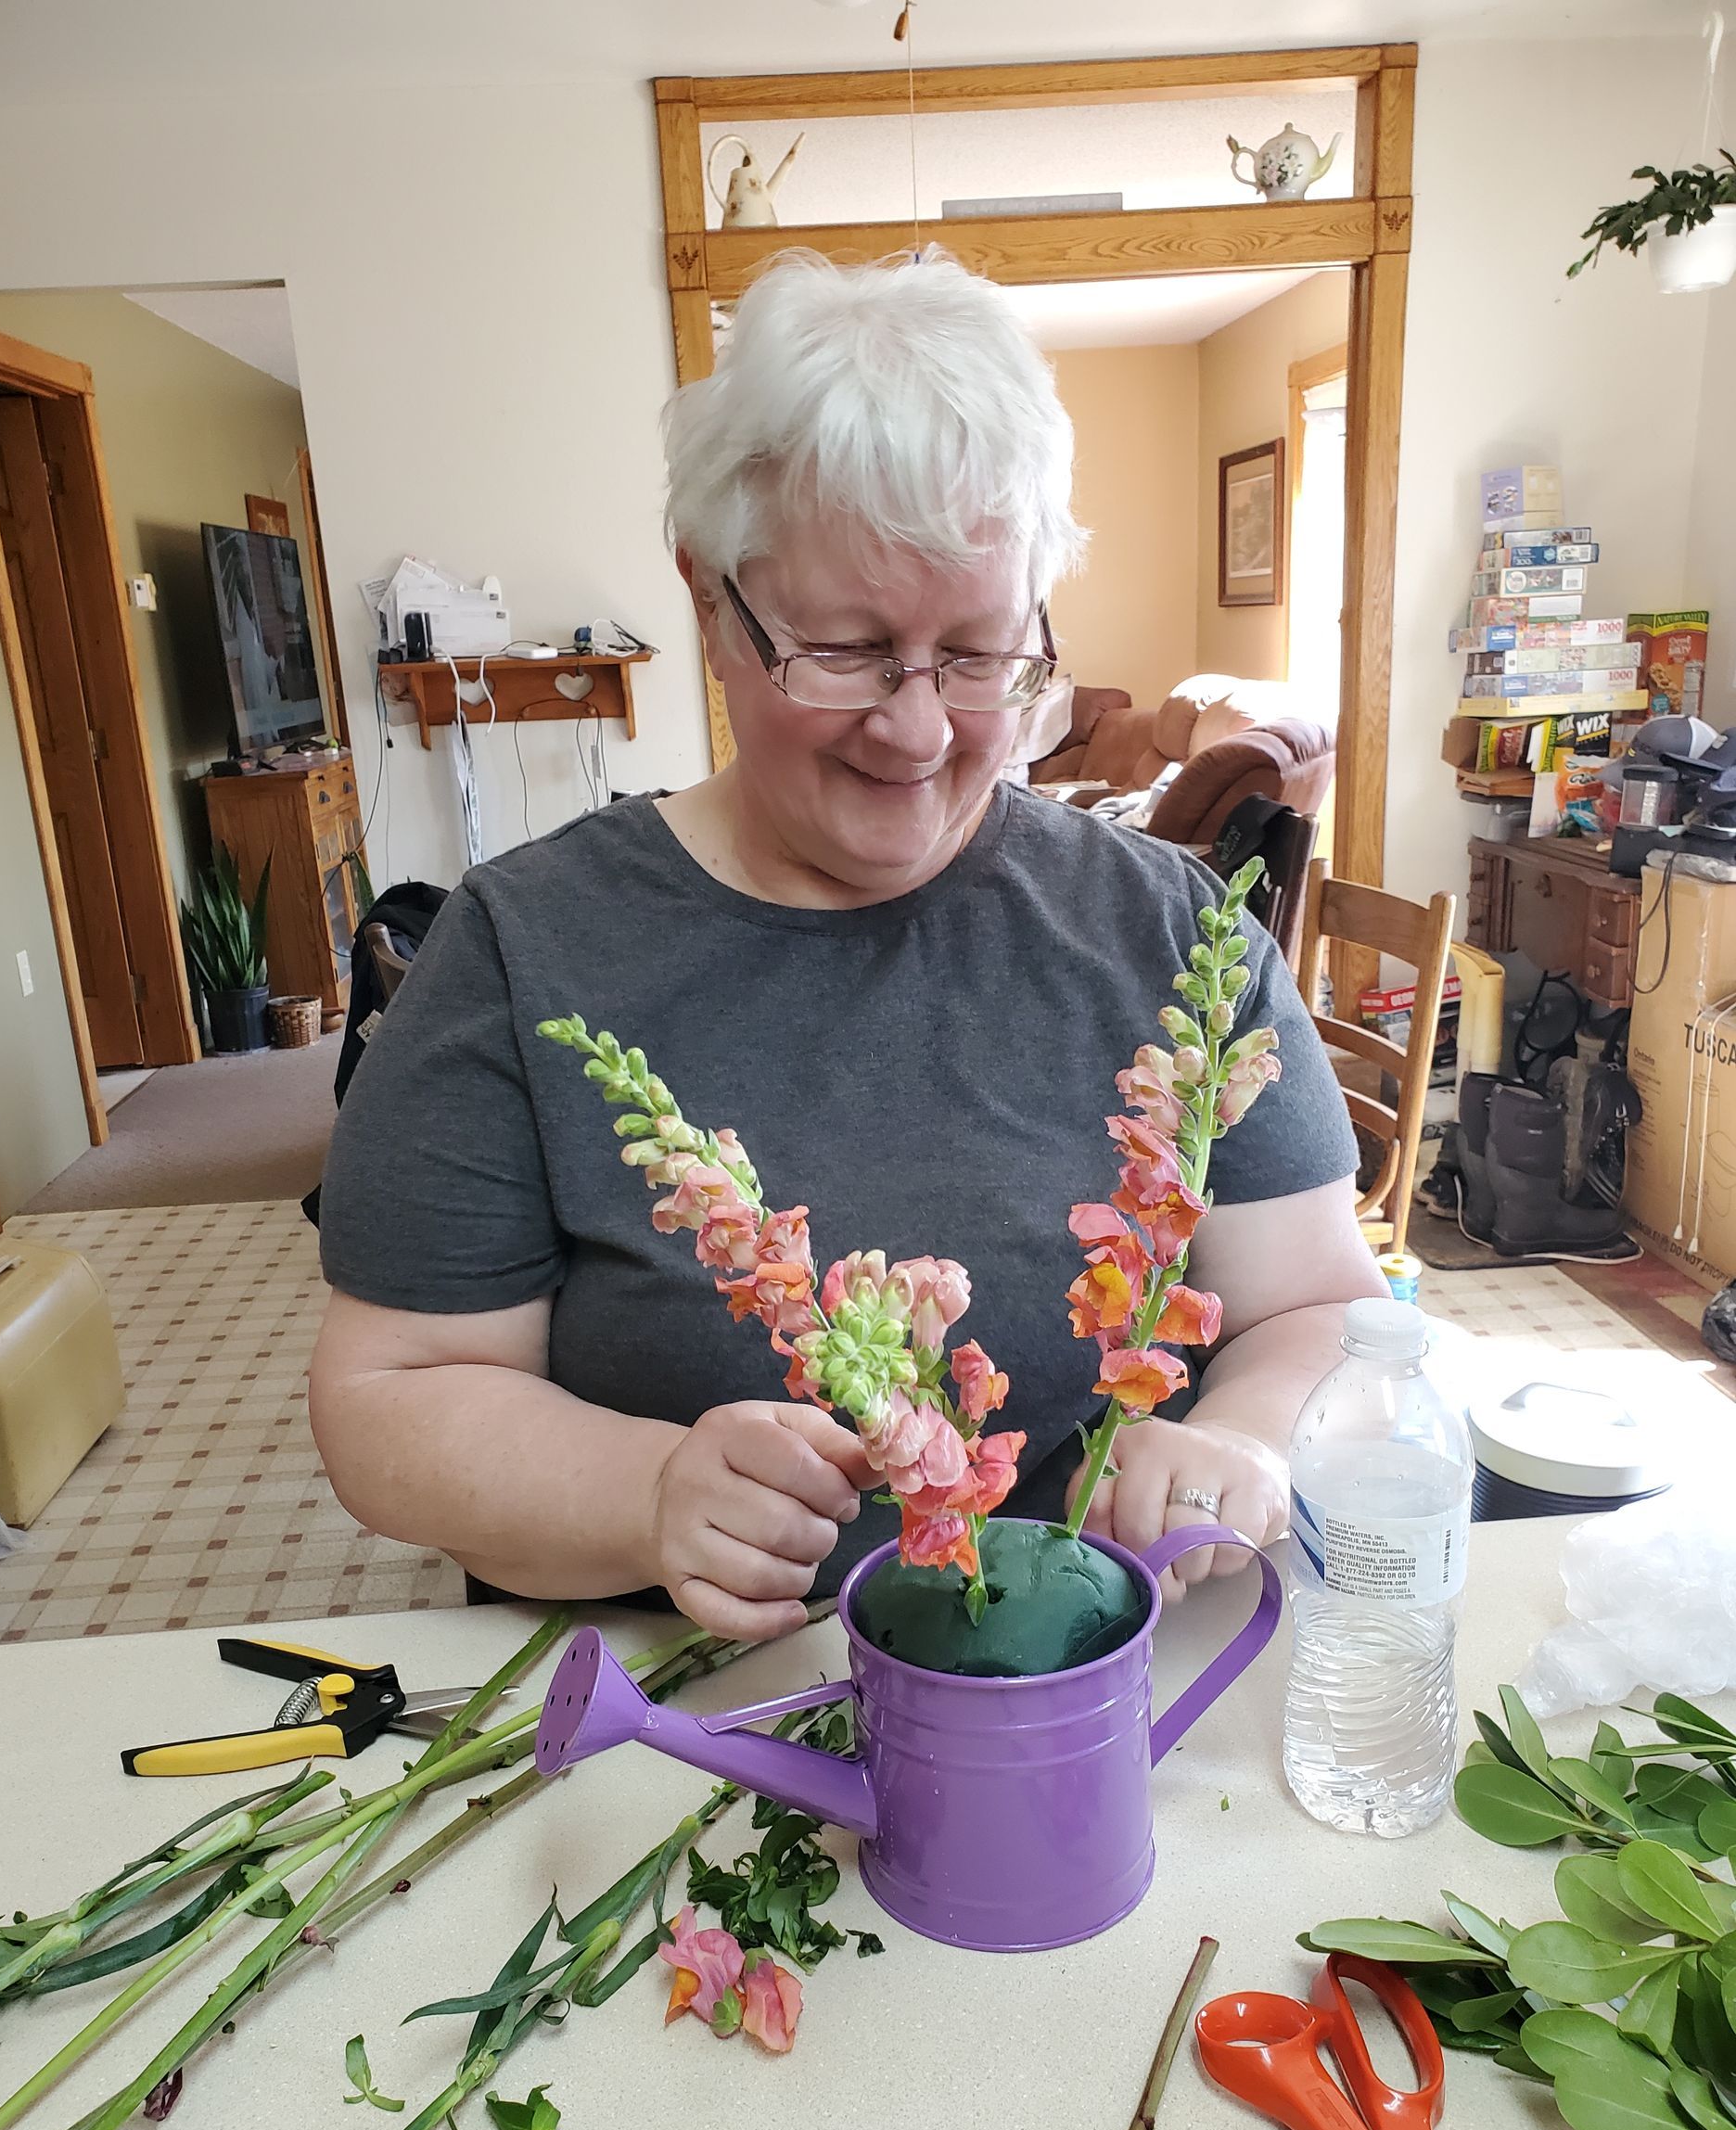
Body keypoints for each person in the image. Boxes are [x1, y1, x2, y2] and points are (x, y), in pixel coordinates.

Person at [310, 249, 1383, 1645]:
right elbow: (387, 1400)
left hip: (1093, 1693)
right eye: (849, 651)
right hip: (683, 1705)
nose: (922, 729)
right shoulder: (523, 955)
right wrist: (647, 1489)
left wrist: (1245, 1434)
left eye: (982, 654)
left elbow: (1324, 1307)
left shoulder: (1172, 932)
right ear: (710, 602)